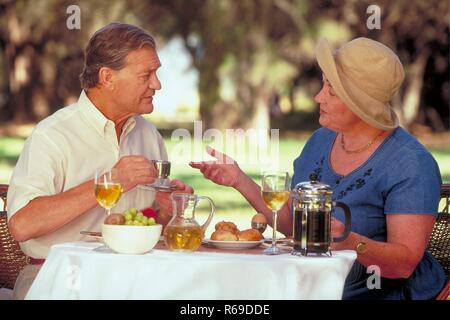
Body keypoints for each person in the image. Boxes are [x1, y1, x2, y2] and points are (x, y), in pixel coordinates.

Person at [190, 37, 447, 299]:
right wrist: (238, 179)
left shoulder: (410, 163)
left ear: (360, 105)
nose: (318, 97)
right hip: (314, 287)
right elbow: (293, 224)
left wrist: (350, 242)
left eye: (331, 91)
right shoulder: (320, 141)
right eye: (324, 84)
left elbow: (403, 264)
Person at [7, 22, 192, 299]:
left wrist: (166, 211)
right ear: (107, 77)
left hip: (136, 280)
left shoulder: (149, 135)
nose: (158, 84)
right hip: (60, 279)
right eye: (146, 75)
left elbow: (150, 225)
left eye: (157, 73)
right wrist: (110, 182)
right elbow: (22, 225)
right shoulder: (52, 135)